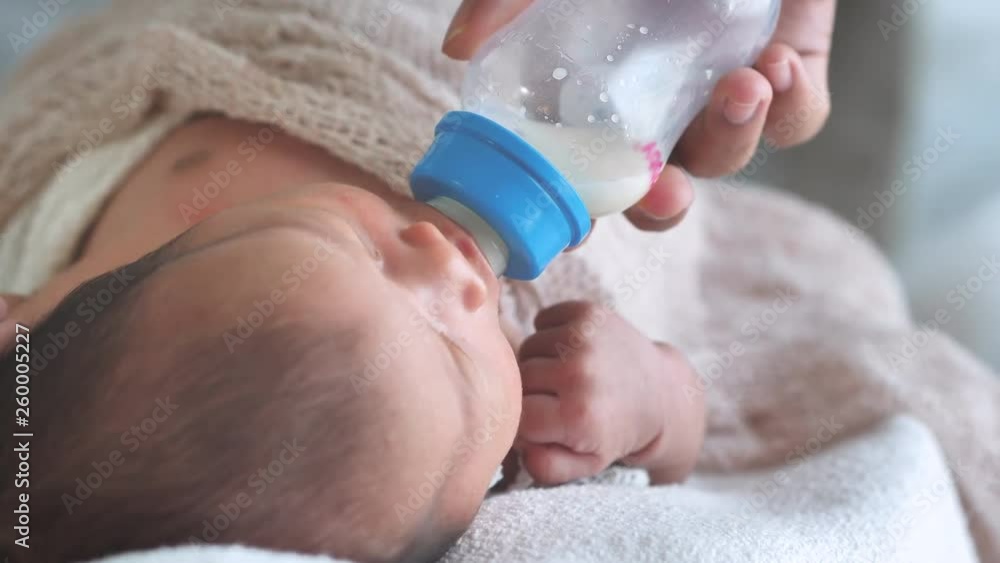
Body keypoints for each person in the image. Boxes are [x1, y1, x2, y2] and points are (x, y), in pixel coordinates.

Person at [0, 1, 840, 562]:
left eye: (356, 250)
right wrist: (650, 397)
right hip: (593, 103)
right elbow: (688, 433)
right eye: (454, 358)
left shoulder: (51, 306)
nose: (448, 268)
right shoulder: (505, 443)